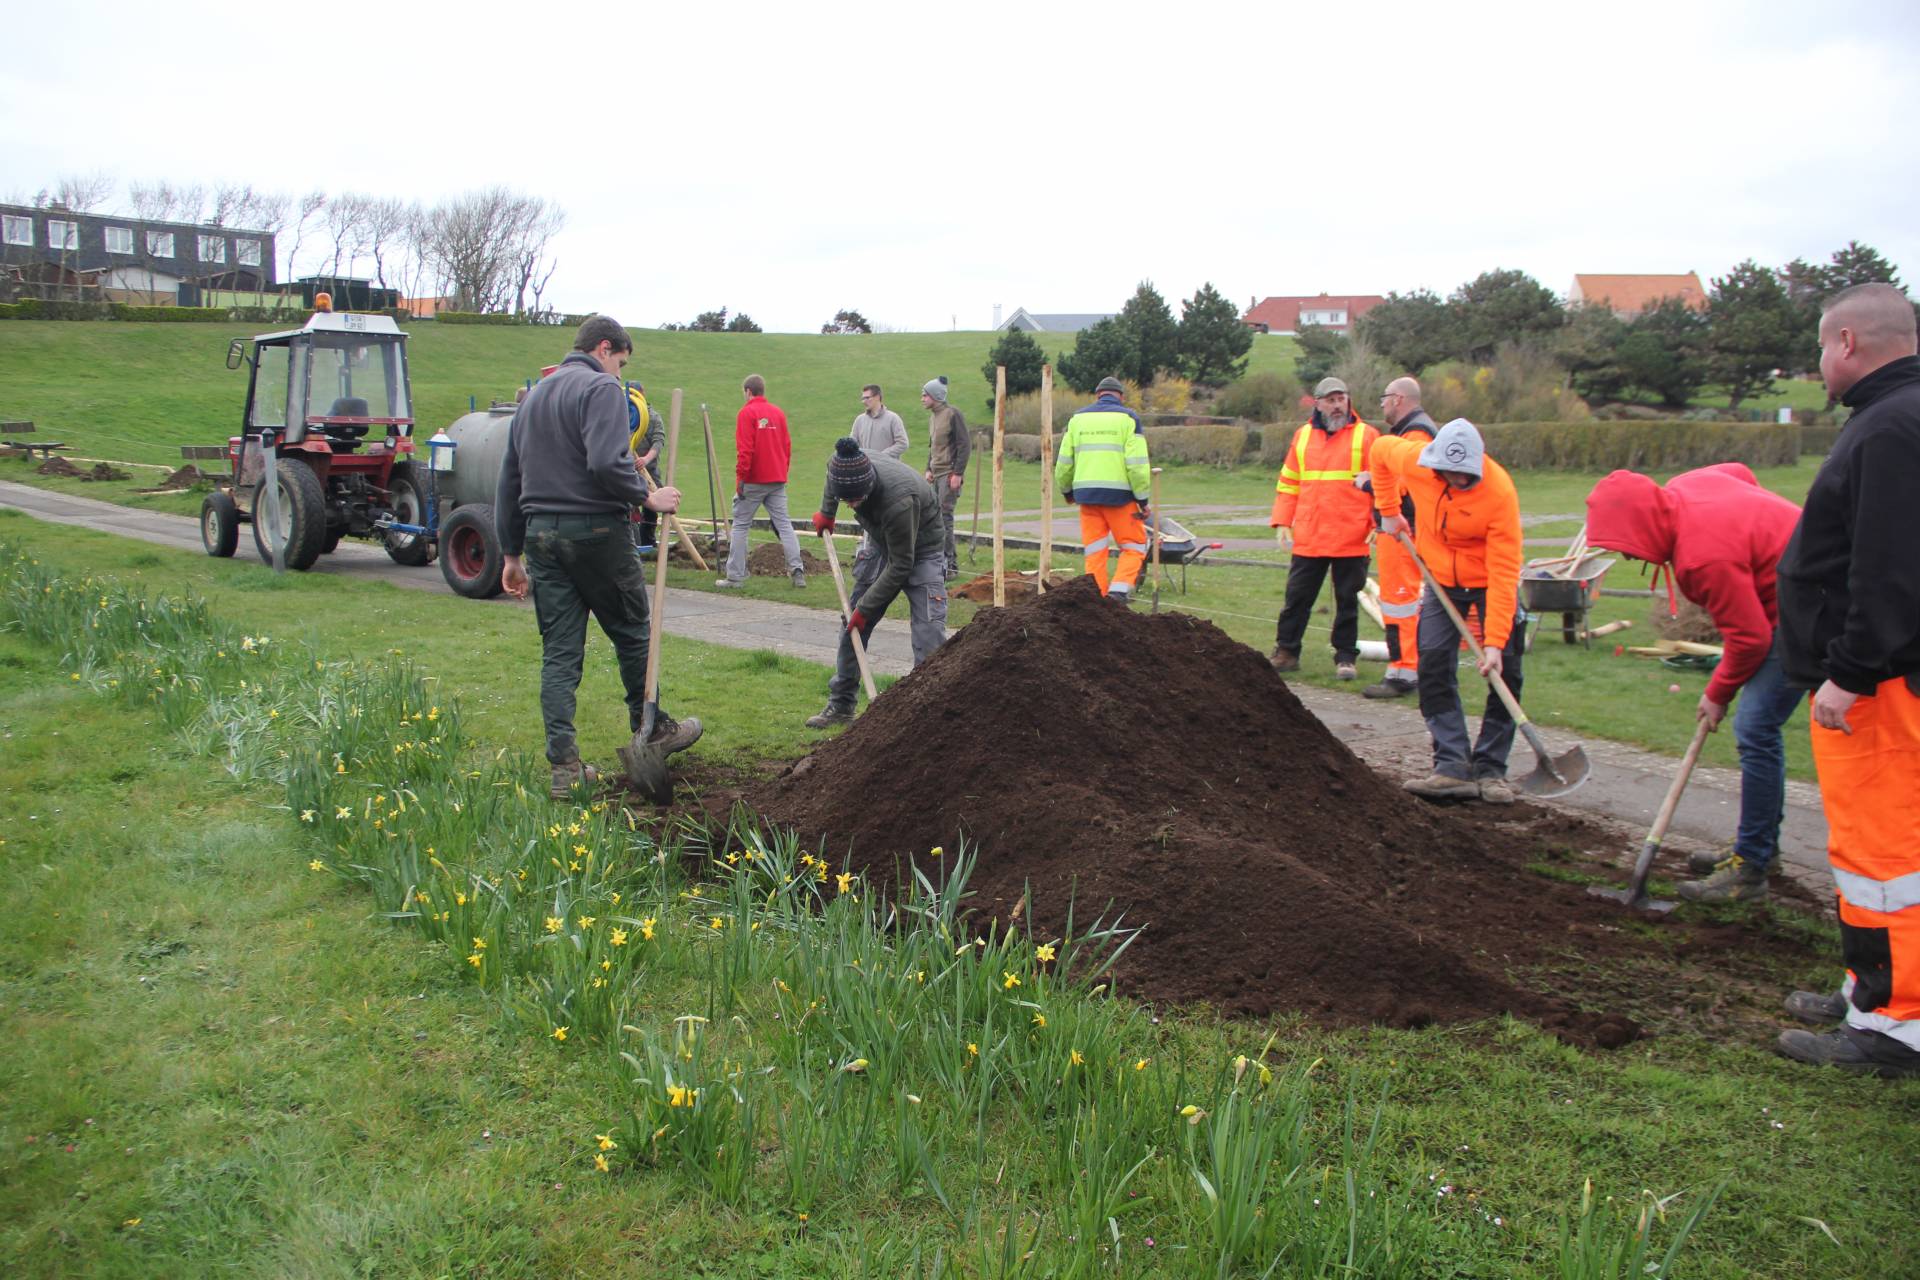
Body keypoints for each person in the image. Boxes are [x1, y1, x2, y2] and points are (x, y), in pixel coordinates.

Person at [1772, 282, 1920, 1078]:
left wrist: (1851, 672)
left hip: (1882, 687)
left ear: (1849, 344)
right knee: (1888, 852)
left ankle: (1893, 1028)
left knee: (1884, 856)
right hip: (1888, 679)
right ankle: (1874, 987)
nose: (1819, 364)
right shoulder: (1892, 420)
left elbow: (1889, 569)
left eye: (1822, 348)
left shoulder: (1892, 429)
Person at [495, 316, 702, 800]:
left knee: (560, 653)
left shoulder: (533, 399)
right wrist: (648, 498)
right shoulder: (602, 389)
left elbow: (510, 480)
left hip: (542, 538)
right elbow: (605, 463)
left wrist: (510, 553)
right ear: (604, 348)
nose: (619, 372)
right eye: (620, 362)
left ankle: (565, 768)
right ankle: (652, 729)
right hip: (596, 531)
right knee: (632, 629)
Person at [1585, 463, 1805, 902]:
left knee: (1755, 729)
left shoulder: (1702, 557)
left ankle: (1751, 870)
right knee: (1759, 727)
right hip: (1799, 575)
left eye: (1626, 546)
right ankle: (1760, 846)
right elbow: (1740, 472)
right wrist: (1756, 530)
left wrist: (1716, 693)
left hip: (1804, 608)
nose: (1629, 557)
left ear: (1641, 525)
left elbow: (1751, 638)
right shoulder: (1684, 487)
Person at [1371, 418, 1524, 804]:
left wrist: (1493, 643)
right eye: (1448, 475)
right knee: (1434, 663)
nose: (1456, 482)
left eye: (1464, 477)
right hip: (1440, 581)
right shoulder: (1418, 461)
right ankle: (1452, 765)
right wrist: (1388, 510)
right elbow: (1378, 452)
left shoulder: (1500, 493)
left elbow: (1505, 572)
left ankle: (1491, 769)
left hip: (1490, 582)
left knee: (1506, 668)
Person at [803, 438, 949, 727]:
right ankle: (842, 706)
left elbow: (902, 564)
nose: (853, 505)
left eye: (856, 499)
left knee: (929, 634)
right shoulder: (843, 465)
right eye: (848, 501)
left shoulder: (898, 501)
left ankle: (928, 720)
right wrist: (827, 512)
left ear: (869, 485)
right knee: (852, 627)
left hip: (921, 548)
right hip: (883, 542)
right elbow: (832, 482)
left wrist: (865, 609)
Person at [1269, 376, 1380, 679]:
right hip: (1310, 534)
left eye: (1341, 398)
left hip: (1351, 533)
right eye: (1330, 400)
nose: (1336, 405)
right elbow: (1289, 482)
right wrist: (1282, 520)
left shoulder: (1367, 436)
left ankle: (1345, 658)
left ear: (1348, 400)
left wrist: (1376, 523)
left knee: (1348, 602)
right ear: (1317, 403)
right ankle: (1287, 652)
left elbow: (1382, 484)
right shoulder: (1302, 436)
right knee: (1297, 598)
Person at [1362, 377, 1437, 698]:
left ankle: (1404, 672)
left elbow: (1408, 481)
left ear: (1397, 399)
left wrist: (1369, 484)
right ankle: (1406, 664)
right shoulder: (1415, 430)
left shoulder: (1416, 434)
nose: (1381, 405)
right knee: (1402, 602)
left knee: (1400, 602)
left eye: (1384, 398)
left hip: (1404, 531)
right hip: (1403, 529)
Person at [1056, 375, 1152, 603]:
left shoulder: (1077, 419)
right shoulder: (1129, 418)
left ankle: (1096, 599)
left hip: (1087, 497)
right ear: (1121, 396)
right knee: (1135, 546)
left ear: (1098, 395)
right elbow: (1137, 466)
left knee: (1095, 550)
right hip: (1121, 498)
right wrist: (1143, 500)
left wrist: (1067, 491)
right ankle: (1118, 594)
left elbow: (1064, 463)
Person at [718, 373, 806, 589]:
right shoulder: (778, 413)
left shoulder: (746, 413)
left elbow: (745, 450)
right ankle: (797, 571)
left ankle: (735, 576)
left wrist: (741, 479)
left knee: (740, 525)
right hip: (777, 480)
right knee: (784, 525)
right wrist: (782, 473)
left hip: (754, 480)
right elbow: (787, 446)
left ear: (748, 392)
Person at [920, 376, 971, 578]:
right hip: (936, 474)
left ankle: (950, 565)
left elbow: (964, 445)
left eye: (925, 395)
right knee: (934, 518)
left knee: (944, 519)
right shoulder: (933, 416)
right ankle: (936, 561)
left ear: (935, 396)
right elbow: (933, 446)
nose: (922, 399)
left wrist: (957, 473)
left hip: (949, 475)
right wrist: (928, 468)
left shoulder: (952, 414)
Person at [626, 381, 666, 553]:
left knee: (653, 505)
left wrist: (645, 459)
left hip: (649, 470)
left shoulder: (653, 417)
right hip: (627, 469)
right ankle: (632, 542)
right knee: (628, 505)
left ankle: (648, 542)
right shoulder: (623, 414)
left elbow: (658, 442)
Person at [850, 384, 909, 459]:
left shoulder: (893, 418)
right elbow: (852, 443)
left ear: (877, 397)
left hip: (888, 468)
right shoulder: (860, 420)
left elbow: (902, 443)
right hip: (866, 468)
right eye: (863, 399)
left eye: (867, 398)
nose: (864, 401)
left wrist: (881, 456)